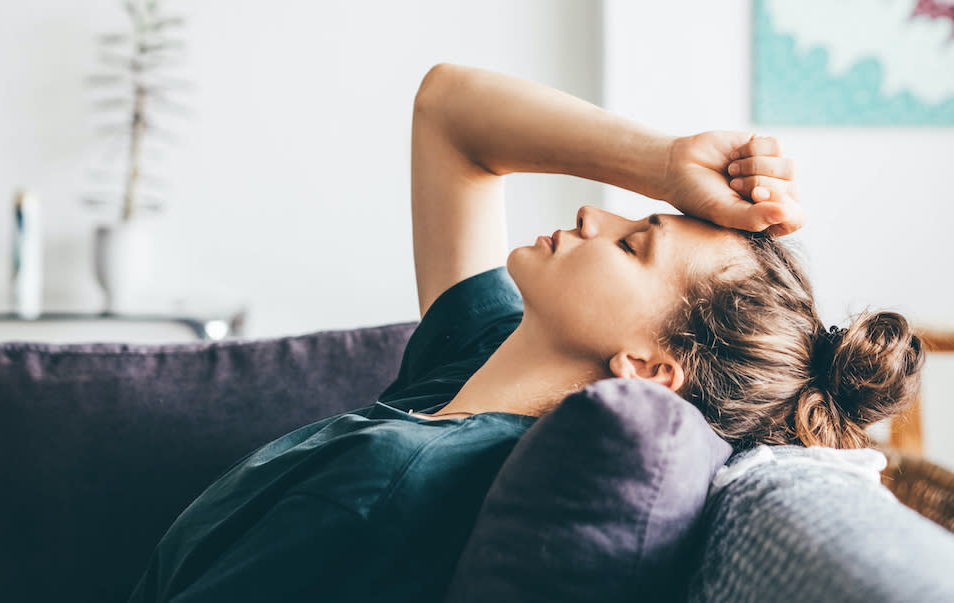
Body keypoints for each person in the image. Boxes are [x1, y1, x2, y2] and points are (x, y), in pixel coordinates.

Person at [128, 64, 923, 602]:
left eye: (633, 241)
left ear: (647, 367)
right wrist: (667, 162)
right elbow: (449, 109)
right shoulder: (477, 363)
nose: (593, 211)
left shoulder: (395, 480)